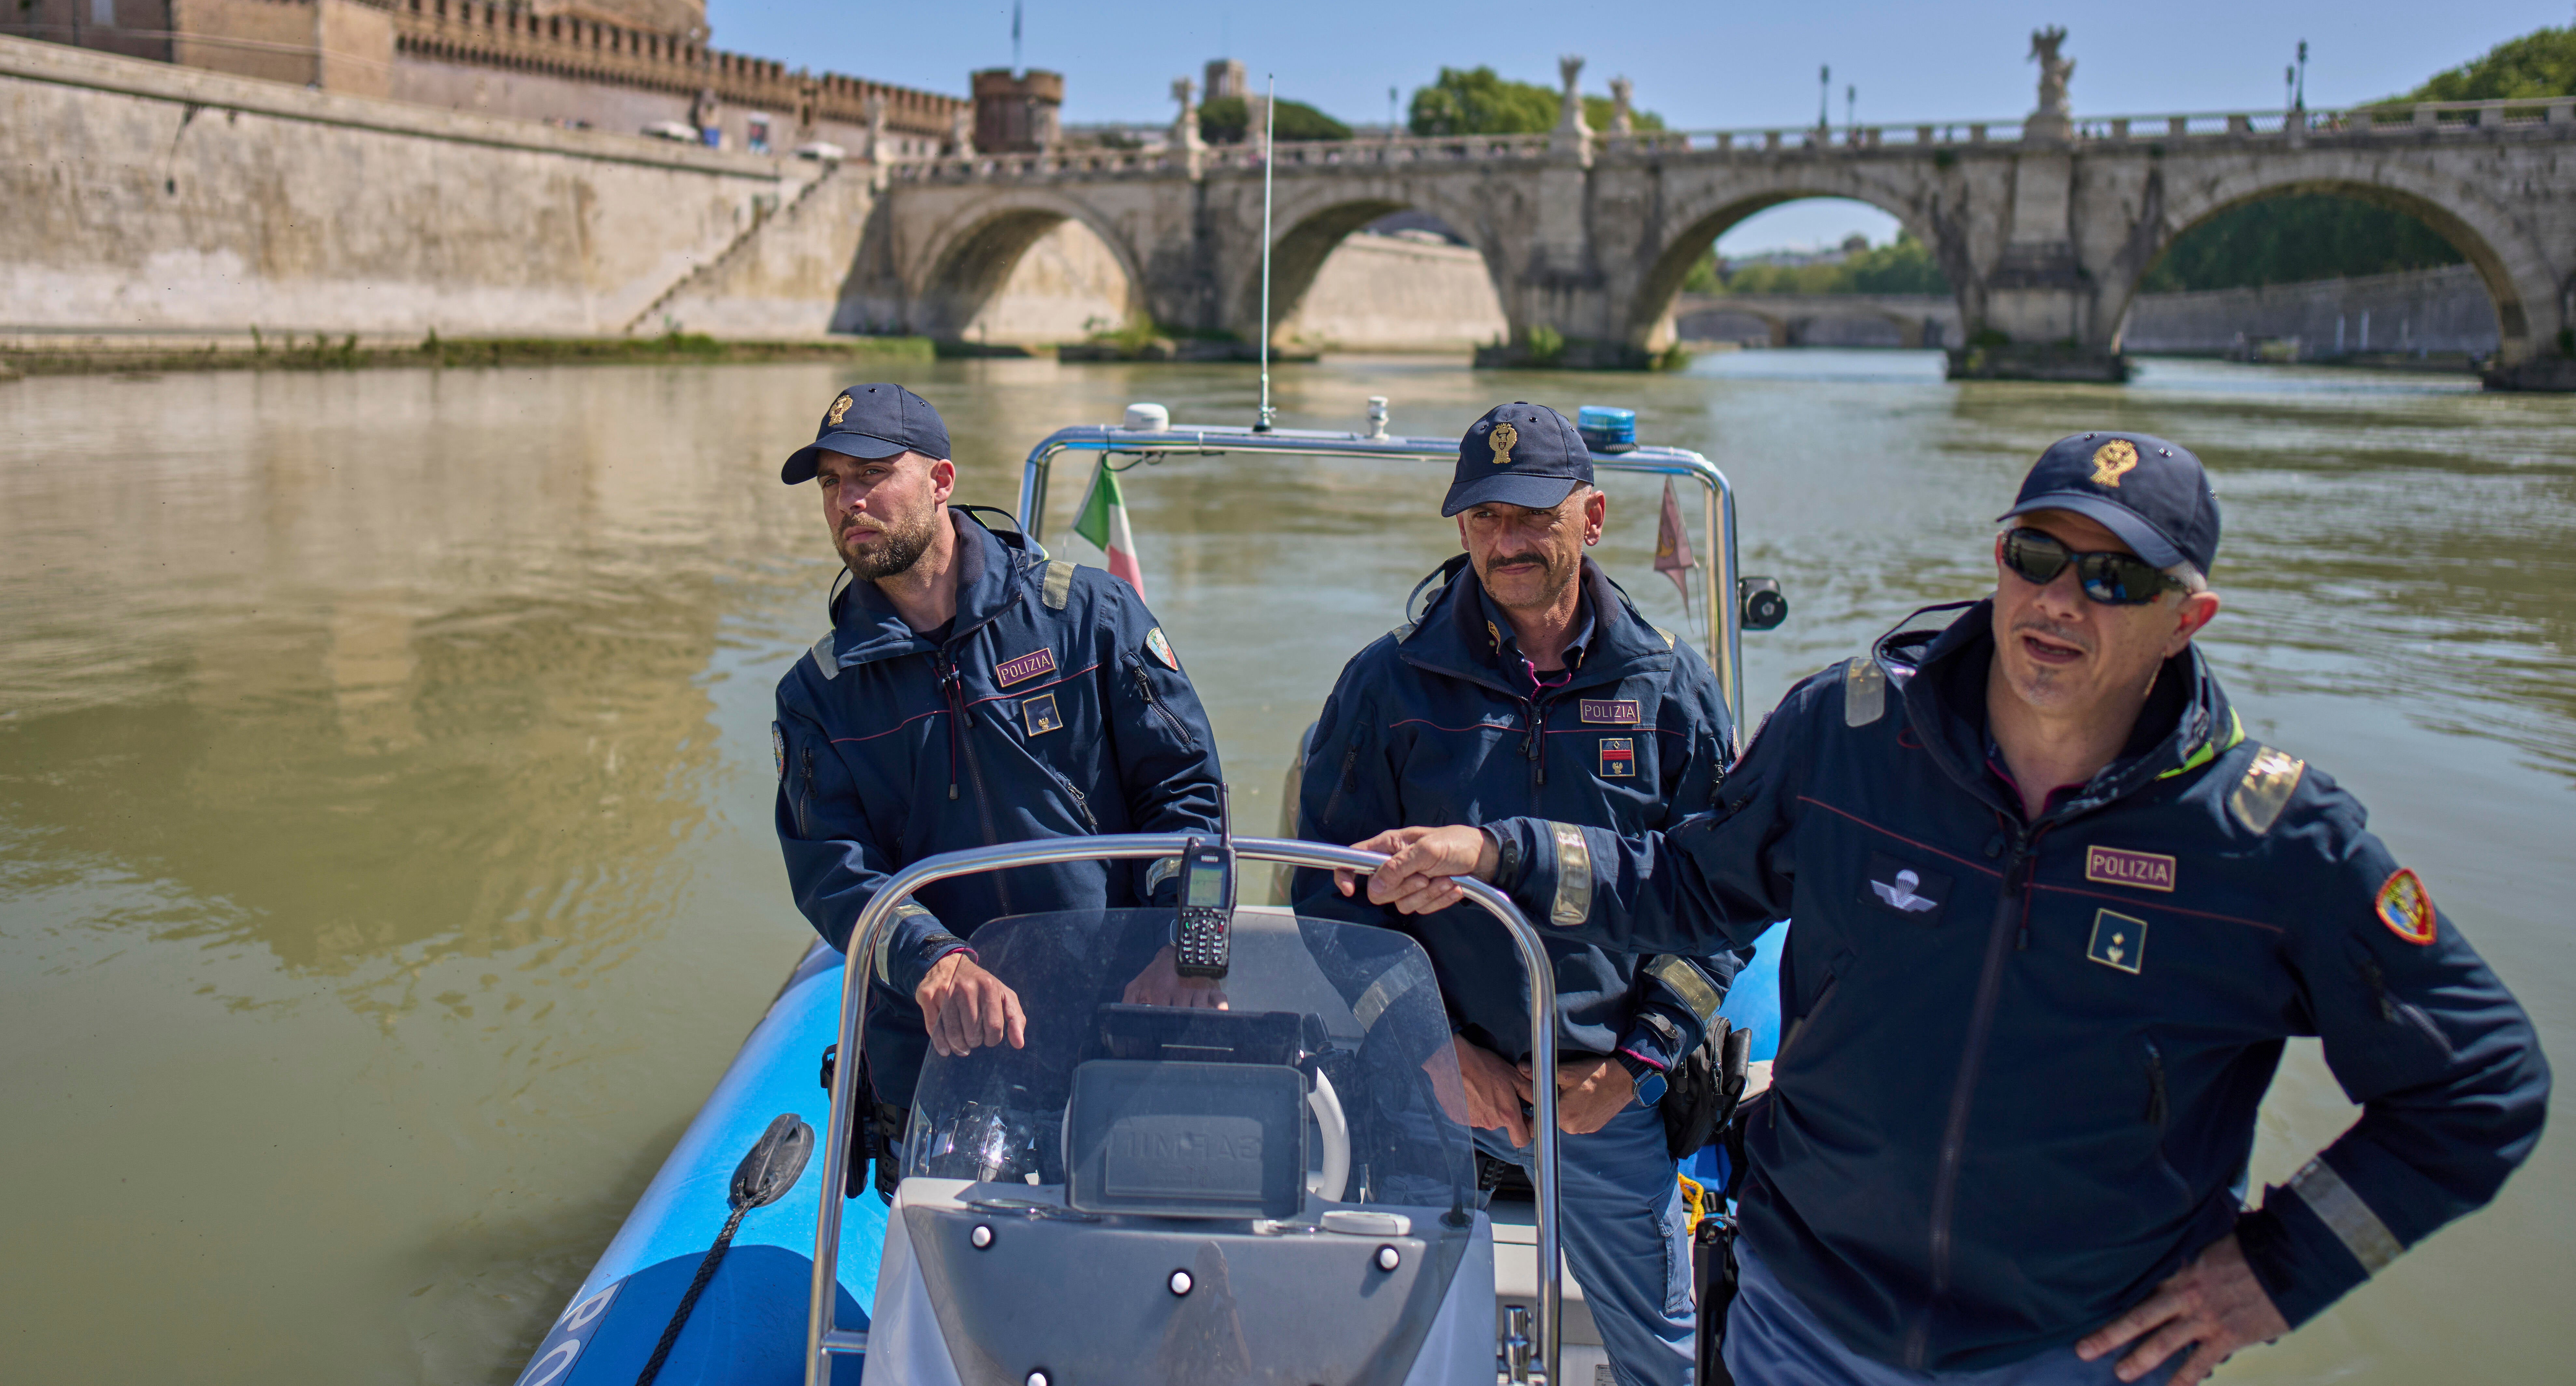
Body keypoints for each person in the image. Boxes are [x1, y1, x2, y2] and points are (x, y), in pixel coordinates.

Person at [1344, 431, 2549, 1386]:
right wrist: (1495, 851)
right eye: (2037, 556)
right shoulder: (1850, 734)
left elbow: (2481, 1084)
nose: (2060, 602)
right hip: (1804, 1319)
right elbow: (1689, 883)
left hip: (2074, 1350)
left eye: (2113, 577)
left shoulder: (2267, 840)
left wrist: (2280, 1273)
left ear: (2190, 616)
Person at [1292, 402, 1748, 1386]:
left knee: (1666, 1357)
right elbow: (1324, 900)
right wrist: (1430, 1049)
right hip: (1423, 1080)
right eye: (1485, 516)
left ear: (1590, 518)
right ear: (1458, 526)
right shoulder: (1385, 685)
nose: (1508, 541)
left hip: (1596, 1086)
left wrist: (1635, 1063)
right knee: (1386, 1350)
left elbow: (1721, 903)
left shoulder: (1671, 690)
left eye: (1533, 515)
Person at [771, 383, 1227, 1181]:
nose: (850, 500)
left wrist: (1192, 946)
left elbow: (1187, 796)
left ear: (942, 481)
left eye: (873, 473)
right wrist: (933, 960)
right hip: (946, 1053)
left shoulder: (1091, 617)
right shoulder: (818, 694)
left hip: (1119, 1023)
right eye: (833, 482)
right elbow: (835, 876)